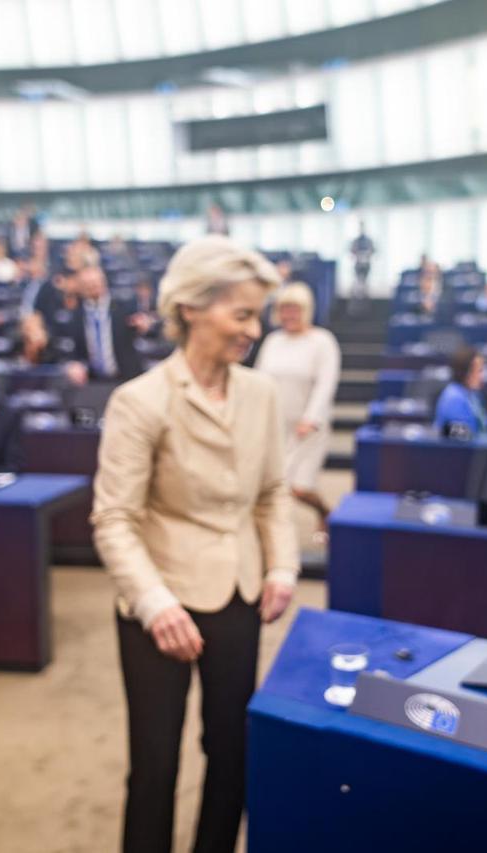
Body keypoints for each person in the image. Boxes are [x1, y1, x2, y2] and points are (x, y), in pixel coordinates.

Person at [92, 235, 297, 853]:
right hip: (159, 608)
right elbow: (114, 520)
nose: (253, 331)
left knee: (231, 752)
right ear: (189, 309)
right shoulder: (139, 402)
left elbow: (272, 492)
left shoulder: (261, 394)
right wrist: (156, 605)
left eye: (257, 315)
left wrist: (283, 565)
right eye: (241, 314)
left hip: (239, 596)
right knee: (155, 765)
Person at [255, 282, 341, 538]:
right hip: (276, 425)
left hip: (309, 427)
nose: (289, 316)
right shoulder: (273, 341)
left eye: (294, 310)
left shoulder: (322, 341)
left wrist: (311, 418)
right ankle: (274, 536)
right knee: (276, 485)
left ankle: (325, 513)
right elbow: (259, 381)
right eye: (284, 310)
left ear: (306, 311)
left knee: (299, 488)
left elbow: (326, 383)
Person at [71, 265, 143, 382]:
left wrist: (143, 326)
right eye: (88, 283)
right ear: (81, 287)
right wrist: (75, 365)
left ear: (103, 282)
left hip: (125, 378)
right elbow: (76, 350)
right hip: (94, 382)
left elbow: (143, 326)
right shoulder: (77, 314)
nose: (92, 286)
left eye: (95, 282)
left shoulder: (124, 307)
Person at [432, 347, 487, 436]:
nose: (482, 376)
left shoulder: (471, 394)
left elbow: (480, 427)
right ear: (466, 373)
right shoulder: (454, 399)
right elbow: (467, 438)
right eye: (479, 371)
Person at [350, 221, 375, 299]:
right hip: (358, 263)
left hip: (366, 263)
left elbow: (373, 250)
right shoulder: (356, 241)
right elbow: (352, 250)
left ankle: (365, 293)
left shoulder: (368, 241)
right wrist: (357, 255)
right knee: (358, 280)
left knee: (365, 280)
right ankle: (358, 293)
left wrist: (367, 254)